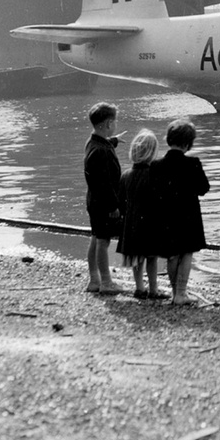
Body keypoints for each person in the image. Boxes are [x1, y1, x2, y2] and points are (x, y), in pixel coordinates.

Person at [152, 119, 210, 306]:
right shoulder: (193, 163)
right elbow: (203, 188)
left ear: (169, 139)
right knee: (186, 252)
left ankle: (174, 291)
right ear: (188, 143)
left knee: (172, 254)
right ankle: (181, 293)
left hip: (165, 215)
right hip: (188, 215)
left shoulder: (156, 165)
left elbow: (153, 191)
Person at [117, 129, 168, 301]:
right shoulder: (156, 175)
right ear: (153, 152)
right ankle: (154, 289)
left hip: (132, 223)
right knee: (151, 258)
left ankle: (139, 288)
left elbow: (121, 200)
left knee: (136, 258)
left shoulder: (125, 175)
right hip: (151, 223)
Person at [84, 101, 125, 295]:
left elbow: (103, 145)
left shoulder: (93, 143)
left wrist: (114, 141)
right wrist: (113, 206)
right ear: (108, 124)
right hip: (103, 203)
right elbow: (105, 183)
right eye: (114, 122)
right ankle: (106, 282)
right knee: (103, 241)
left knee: (95, 238)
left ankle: (94, 280)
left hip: (93, 201)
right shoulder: (102, 152)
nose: (115, 125)